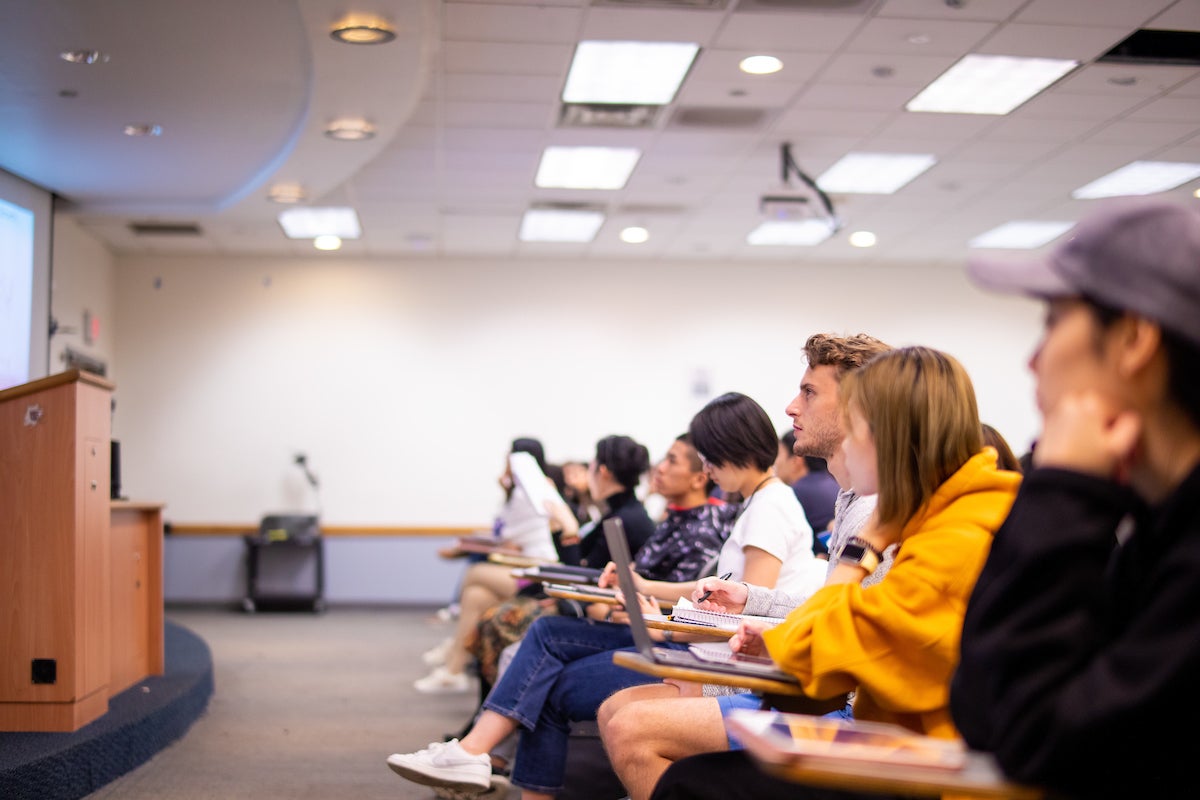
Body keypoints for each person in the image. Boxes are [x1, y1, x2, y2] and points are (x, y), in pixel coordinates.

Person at [385, 392, 822, 798]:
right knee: (550, 642)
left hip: (713, 660)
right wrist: (645, 590)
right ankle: (474, 753)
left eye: (707, 458)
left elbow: (746, 609)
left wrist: (665, 619)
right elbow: (727, 590)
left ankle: (474, 753)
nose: (706, 470)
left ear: (730, 449)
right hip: (696, 645)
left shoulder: (769, 508)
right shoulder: (761, 503)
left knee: (551, 661)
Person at [645, 346, 1021, 800]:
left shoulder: (952, 534)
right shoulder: (944, 512)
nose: (848, 443)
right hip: (900, 743)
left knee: (682, 774)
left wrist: (865, 546)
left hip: (927, 770)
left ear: (889, 434)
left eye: (856, 427)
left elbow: (819, 649)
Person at [951, 198, 1200, 797]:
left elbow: (1035, 739)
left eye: (1053, 321)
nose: (1033, 359)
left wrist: (1063, 493)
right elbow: (985, 710)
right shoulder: (1153, 523)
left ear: (1134, 340)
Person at [598, 333, 893, 800]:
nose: (792, 407)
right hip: (814, 690)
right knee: (623, 716)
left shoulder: (872, 506)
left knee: (630, 725)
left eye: (809, 392)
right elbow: (832, 609)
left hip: (840, 712)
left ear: (859, 406)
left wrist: (680, 627)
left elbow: (852, 635)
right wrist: (749, 601)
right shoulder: (853, 497)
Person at [417, 435, 654, 694]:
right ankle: (457, 671)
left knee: (490, 602)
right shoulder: (618, 513)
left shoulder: (625, 518)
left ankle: (476, 692)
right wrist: (563, 530)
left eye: (591, 466)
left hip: (584, 605)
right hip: (576, 594)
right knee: (476, 595)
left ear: (603, 471)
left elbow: (583, 573)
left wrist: (568, 530)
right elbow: (577, 565)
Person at [775, 429, 839, 554]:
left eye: (779, 454)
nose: (775, 462)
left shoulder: (795, 493)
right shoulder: (833, 483)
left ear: (796, 460)